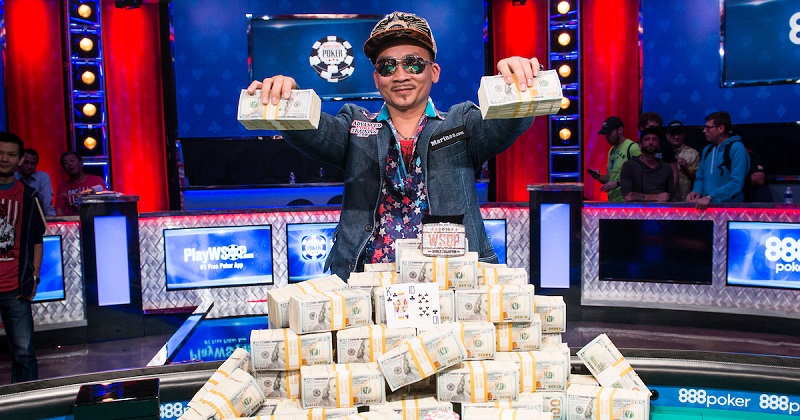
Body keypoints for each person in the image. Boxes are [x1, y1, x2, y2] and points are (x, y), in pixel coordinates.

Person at [247, 11, 540, 279]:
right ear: (377, 79)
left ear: (434, 72)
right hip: (365, 290)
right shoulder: (355, 124)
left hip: (451, 286)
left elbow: (506, 125)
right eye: (387, 66)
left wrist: (517, 87)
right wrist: (288, 101)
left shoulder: (461, 122)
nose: (400, 75)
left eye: (414, 63)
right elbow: (315, 133)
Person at [0, 131, 46, 383]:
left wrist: (34, 277)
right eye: (0, 153)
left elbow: (37, 239)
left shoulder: (29, 195)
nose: (4, 159)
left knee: (24, 354)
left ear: (19, 160)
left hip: (15, 288)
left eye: (10, 154)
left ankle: (26, 401)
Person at [686, 111, 749, 209]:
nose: (704, 130)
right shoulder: (707, 150)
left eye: (708, 127)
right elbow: (700, 177)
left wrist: (710, 196)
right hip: (706, 207)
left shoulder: (737, 148)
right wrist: (696, 191)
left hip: (730, 209)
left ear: (721, 129)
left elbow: (737, 183)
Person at [587, 116, 641, 202]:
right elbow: (609, 178)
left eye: (609, 133)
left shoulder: (632, 148)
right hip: (613, 201)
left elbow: (640, 175)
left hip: (628, 201)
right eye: (605, 135)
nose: (607, 137)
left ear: (620, 130)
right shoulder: (611, 150)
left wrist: (618, 183)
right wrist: (598, 176)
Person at [619, 127, 675, 202]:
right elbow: (628, 196)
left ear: (659, 145)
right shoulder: (629, 166)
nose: (651, 142)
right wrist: (656, 197)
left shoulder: (666, 168)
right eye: (647, 139)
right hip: (637, 209)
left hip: (661, 209)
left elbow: (670, 197)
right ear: (640, 145)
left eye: (655, 139)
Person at [54, 152, 107, 216]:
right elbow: (59, 209)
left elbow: (105, 202)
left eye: (72, 160)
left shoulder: (97, 180)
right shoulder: (63, 186)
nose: (70, 164)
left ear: (81, 163)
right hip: (73, 221)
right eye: (66, 163)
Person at [638, 111, 678, 188]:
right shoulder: (634, 147)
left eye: (657, 128)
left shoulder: (665, 146)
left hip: (662, 189)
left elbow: (674, 172)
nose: (655, 130)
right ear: (642, 127)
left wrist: (671, 191)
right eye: (652, 127)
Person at [665, 121, 699, 202]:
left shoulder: (693, 153)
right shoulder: (659, 153)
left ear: (684, 135)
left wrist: (688, 167)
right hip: (664, 199)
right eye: (673, 134)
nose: (676, 137)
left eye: (679, 134)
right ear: (667, 136)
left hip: (685, 199)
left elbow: (699, 178)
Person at [15, 149, 56, 217]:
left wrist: (50, 219)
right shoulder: (13, 176)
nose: (29, 166)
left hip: (37, 217)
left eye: (33, 163)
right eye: (26, 162)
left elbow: (47, 202)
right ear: (20, 161)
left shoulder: (42, 177)